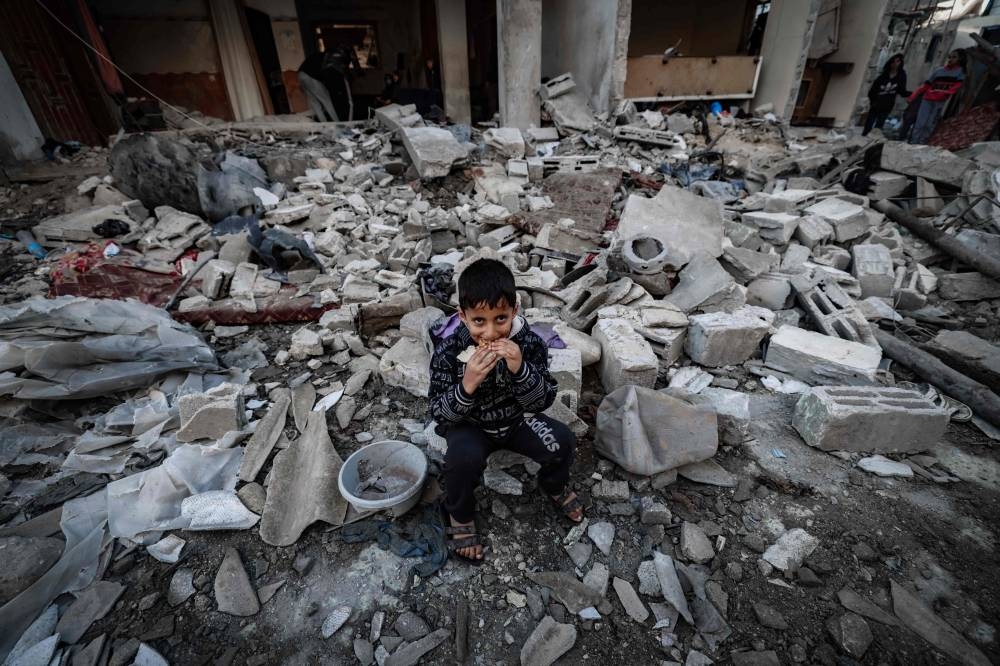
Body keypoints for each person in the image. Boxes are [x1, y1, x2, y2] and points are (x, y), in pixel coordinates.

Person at [429, 259, 582, 563]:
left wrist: (520, 368)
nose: (490, 333)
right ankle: (460, 515)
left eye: (500, 318)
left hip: (516, 420)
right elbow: (439, 413)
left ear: (515, 310)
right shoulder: (448, 352)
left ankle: (554, 485)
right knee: (461, 461)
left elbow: (542, 401)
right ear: (462, 317)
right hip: (470, 424)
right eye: (479, 321)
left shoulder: (530, 344)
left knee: (562, 441)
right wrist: (467, 384)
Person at [908, 49, 966, 144]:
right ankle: (913, 143)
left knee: (930, 124)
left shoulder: (960, 73)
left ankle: (922, 144)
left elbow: (957, 86)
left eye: (954, 57)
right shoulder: (939, 71)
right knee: (920, 123)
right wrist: (913, 96)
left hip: (940, 102)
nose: (950, 59)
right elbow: (926, 85)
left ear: (960, 59)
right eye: (950, 57)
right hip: (927, 99)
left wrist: (945, 94)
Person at [863, 53, 908, 136]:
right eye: (894, 61)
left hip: (887, 105)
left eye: (898, 61)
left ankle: (873, 139)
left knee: (878, 126)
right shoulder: (883, 76)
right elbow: (873, 90)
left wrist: (913, 94)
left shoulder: (901, 76)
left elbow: (902, 91)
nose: (895, 64)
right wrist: (873, 101)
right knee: (868, 125)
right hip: (876, 103)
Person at [297, 51, 338, 122]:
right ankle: (338, 124)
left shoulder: (318, 55)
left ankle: (324, 125)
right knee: (327, 100)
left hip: (300, 75)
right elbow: (326, 74)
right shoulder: (327, 57)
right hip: (309, 75)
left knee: (315, 103)